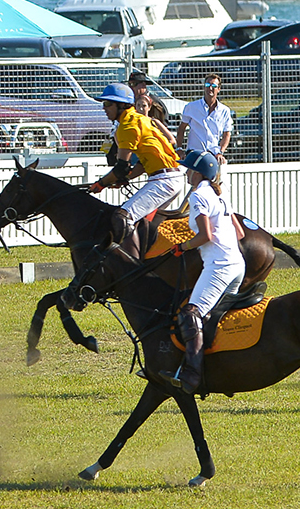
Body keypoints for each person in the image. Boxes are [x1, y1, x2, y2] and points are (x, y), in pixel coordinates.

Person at [164, 151, 241, 391]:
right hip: (237, 264)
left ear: (197, 173)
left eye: (188, 169)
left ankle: (192, 377)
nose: (186, 172)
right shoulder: (220, 195)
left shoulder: (198, 196)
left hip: (219, 267)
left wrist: (182, 246)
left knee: (190, 314)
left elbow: (205, 236)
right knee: (211, 318)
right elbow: (240, 234)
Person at [86, 83, 184, 257]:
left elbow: (121, 167)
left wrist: (100, 184)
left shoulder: (127, 125)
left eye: (108, 104)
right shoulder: (140, 119)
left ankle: (132, 266)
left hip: (163, 181)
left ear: (122, 105)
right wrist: (125, 178)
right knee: (142, 222)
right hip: (170, 177)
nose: (104, 108)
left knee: (122, 217)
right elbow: (140, 165)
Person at [177, 73, 233, 179]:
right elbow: (181, 128)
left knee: (216, 182)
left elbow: (227, 134)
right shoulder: (191, 107)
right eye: (207, 85)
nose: (210, 88)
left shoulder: (225, 111)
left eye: (214, 86)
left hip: (213, 154)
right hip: (194, 153)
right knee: (193, 182)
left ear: (219, 89)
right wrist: (179, 148)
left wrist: (221, 152)